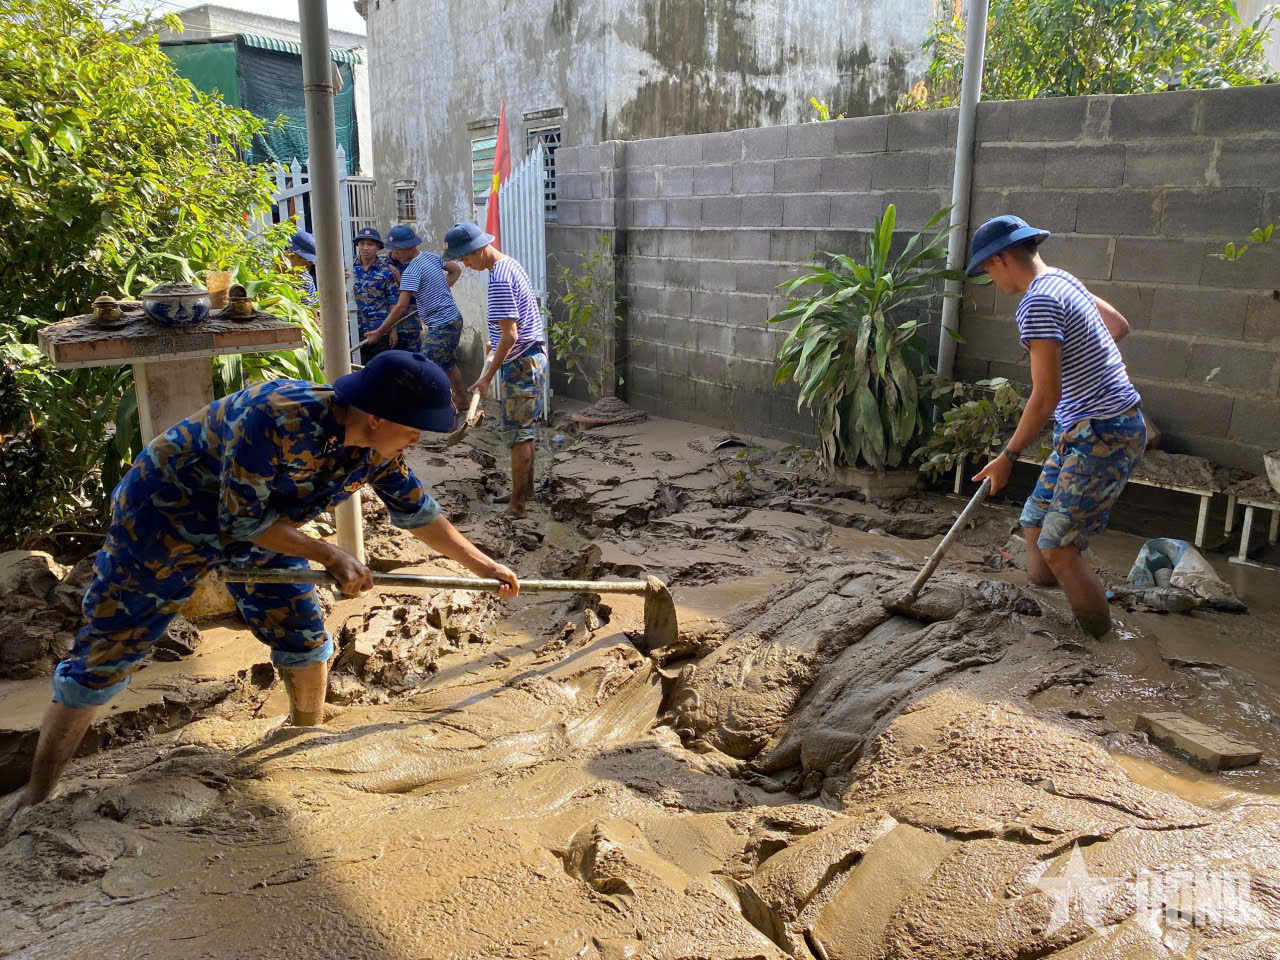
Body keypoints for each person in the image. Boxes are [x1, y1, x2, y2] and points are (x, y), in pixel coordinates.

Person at [3, 351, 519, 815]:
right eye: (413, 429)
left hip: (263, 524)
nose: (417, 439)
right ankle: (39, 793)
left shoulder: (376, 448)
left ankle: (304, 741)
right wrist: (328, 552)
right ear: (376, 416)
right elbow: (241, 523)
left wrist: (483, 566)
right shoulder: (275, 418)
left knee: (305, 634)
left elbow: (417, 512)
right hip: (165, 518)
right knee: (107, 652)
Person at [968, 215, 1145, 641]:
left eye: (987, 270)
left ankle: (1104, 643)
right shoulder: (1062, 280)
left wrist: (1007, 457)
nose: (990, 280)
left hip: (1102, 431)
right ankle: (1052, 596)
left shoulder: (1037, 304)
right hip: (1086, 427)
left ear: (1002, 258)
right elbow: (1118, 325)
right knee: (1035, 522)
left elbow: (1045, 396)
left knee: (1059, 545)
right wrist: (1087, 364)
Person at [443, 222, 547, 519]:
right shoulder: (509, 265)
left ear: (479, 249)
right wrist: (495, 339)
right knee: (523, 431)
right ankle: (524, 492)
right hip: (530, 356)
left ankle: (518, 505)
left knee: (517, 433)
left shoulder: (500, 278)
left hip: (522, 362)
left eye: (466, 258)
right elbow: (514, 325)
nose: (466, 265)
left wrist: (486, 377)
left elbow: (511, 334)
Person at [367, 232, 467, 409]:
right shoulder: (431, 257)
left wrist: (379, 332)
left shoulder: (411, 271)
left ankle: (433, 411)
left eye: (397, 251)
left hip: (442, 324)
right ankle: (462, 401)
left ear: (407, 248)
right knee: (449, 364)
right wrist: (439, 291)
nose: (395, 255)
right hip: (453, 318)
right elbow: (455, 270)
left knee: (425, 369)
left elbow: (400, 307)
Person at [350, 227, 400, 366]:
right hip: (355, 328)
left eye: (370, 244)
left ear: (378, 247)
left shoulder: (385, 270)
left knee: (380, 369)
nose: (365, 248)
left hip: (380, 330)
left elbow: (393, 301)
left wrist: (393, 330)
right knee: (355, 369)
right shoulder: (348, 267)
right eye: (362, 244)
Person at [375, 224, 425, 353]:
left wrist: (401, 280)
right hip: (386, 324)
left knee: (413, 363)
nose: (397, 252)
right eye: (394, 248)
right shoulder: (380, 264)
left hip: (409, 323)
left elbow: (422, 295)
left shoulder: (415, 264)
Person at [286, 230, 319, 306]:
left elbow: (312, 311)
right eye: (305, 264)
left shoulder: (305, 280)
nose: (307, 269)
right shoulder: (265, 271)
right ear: (289, 254)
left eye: (310, 265)